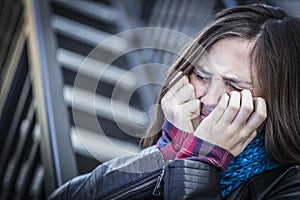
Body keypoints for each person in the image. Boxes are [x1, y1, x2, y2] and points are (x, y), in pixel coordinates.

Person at [48, 4, 300, 199]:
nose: (208, 99)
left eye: (233, 86)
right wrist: (171, 151)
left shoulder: (290, 185)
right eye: (201, 75)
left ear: (279, 102)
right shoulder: (181, 142)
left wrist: (201, 166)